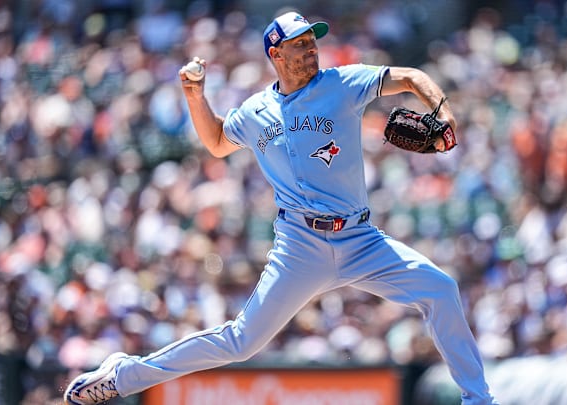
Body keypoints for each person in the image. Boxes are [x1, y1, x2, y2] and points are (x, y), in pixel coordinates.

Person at [64, 11, 498, 405]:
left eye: (313, 42)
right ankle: (124, 375)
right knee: (240, 342)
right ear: (276, 53)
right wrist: (195, 96)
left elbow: (408, 75)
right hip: (300, 245)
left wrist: (443, 112)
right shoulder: (257, 111)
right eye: (300, 44)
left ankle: (478, 400)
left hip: (360, 239)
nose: (311, 50)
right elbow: (216, 143)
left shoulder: (341, 84)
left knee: (440, 289)